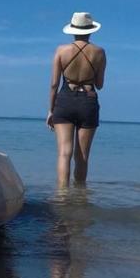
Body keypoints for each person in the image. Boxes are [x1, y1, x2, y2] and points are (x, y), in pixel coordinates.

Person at [46, 11, 106, 187]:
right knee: (82, 156)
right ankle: (80, 197)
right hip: (88, 101)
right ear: (91, 30)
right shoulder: (100, 52)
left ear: (72, 29)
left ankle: (62, 195)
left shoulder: (61, 50)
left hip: (65, 100)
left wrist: (51, 110)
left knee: (64, 153)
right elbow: (100, 84)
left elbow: (53, 84)